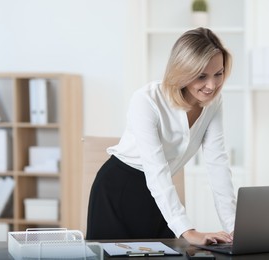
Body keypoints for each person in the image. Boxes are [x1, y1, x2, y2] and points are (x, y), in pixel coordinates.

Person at [86, 27, 237, 246]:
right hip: (118, 192)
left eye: (219, 74)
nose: (212, 85)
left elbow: (217, 164)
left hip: (159, 196)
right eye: (201, 76)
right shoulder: (146, 100)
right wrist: (187, 230)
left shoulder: (214, 103)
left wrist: (234, 228)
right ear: (183, 71)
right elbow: (155, 169)